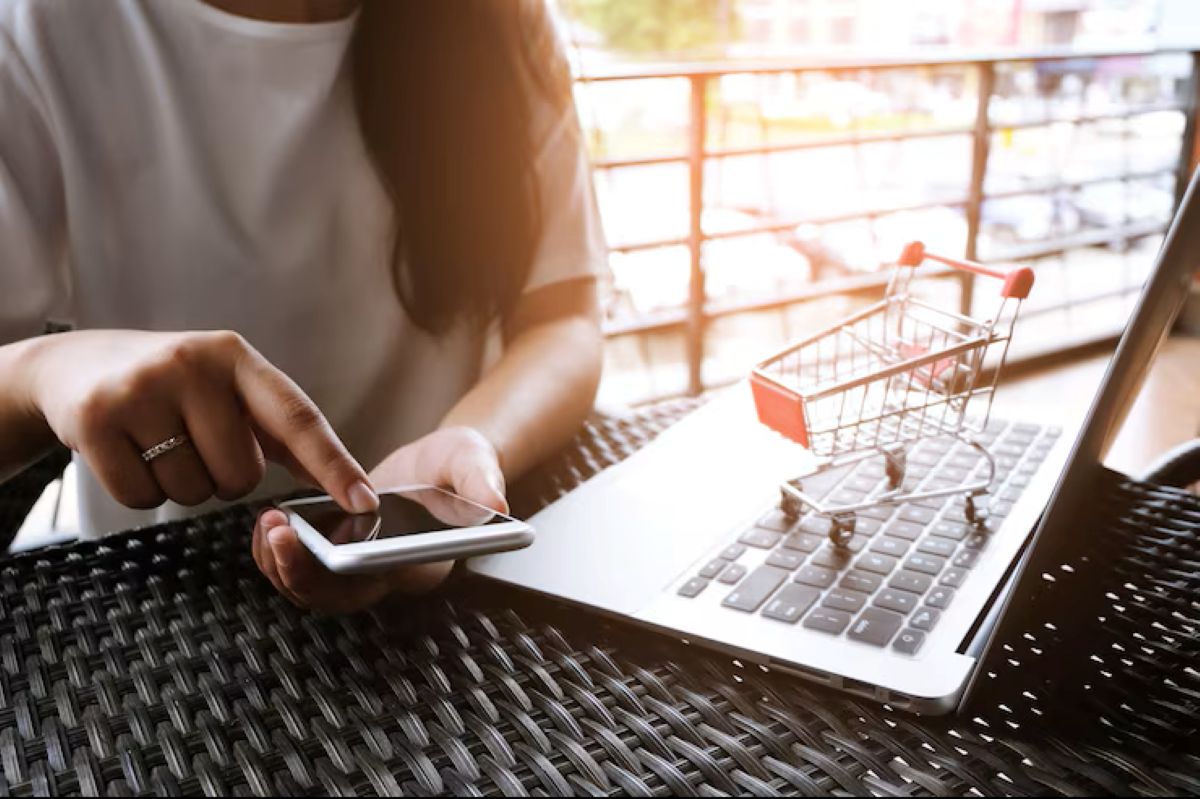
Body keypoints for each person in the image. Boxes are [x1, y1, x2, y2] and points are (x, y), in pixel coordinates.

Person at [0, 0, 605, 613]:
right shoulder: (36, 26)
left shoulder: (501, 20)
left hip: (452, 586)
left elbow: (565, 316)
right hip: (163, 598)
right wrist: (44, 371)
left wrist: (473, 446)